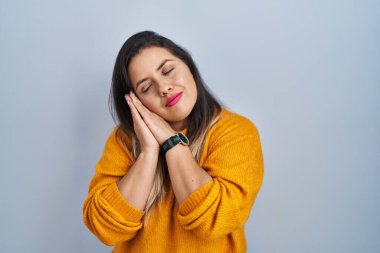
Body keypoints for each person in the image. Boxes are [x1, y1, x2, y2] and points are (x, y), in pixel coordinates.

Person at [82, 30, 264, 253]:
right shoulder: (123, 142)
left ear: (188, 65)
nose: (163, 88)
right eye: (146, 88)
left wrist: (170, 142)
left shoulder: (236, 132)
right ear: (135, 102)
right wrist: (148, 152)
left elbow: (213, 220)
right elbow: (105, 229)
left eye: (168, 70)